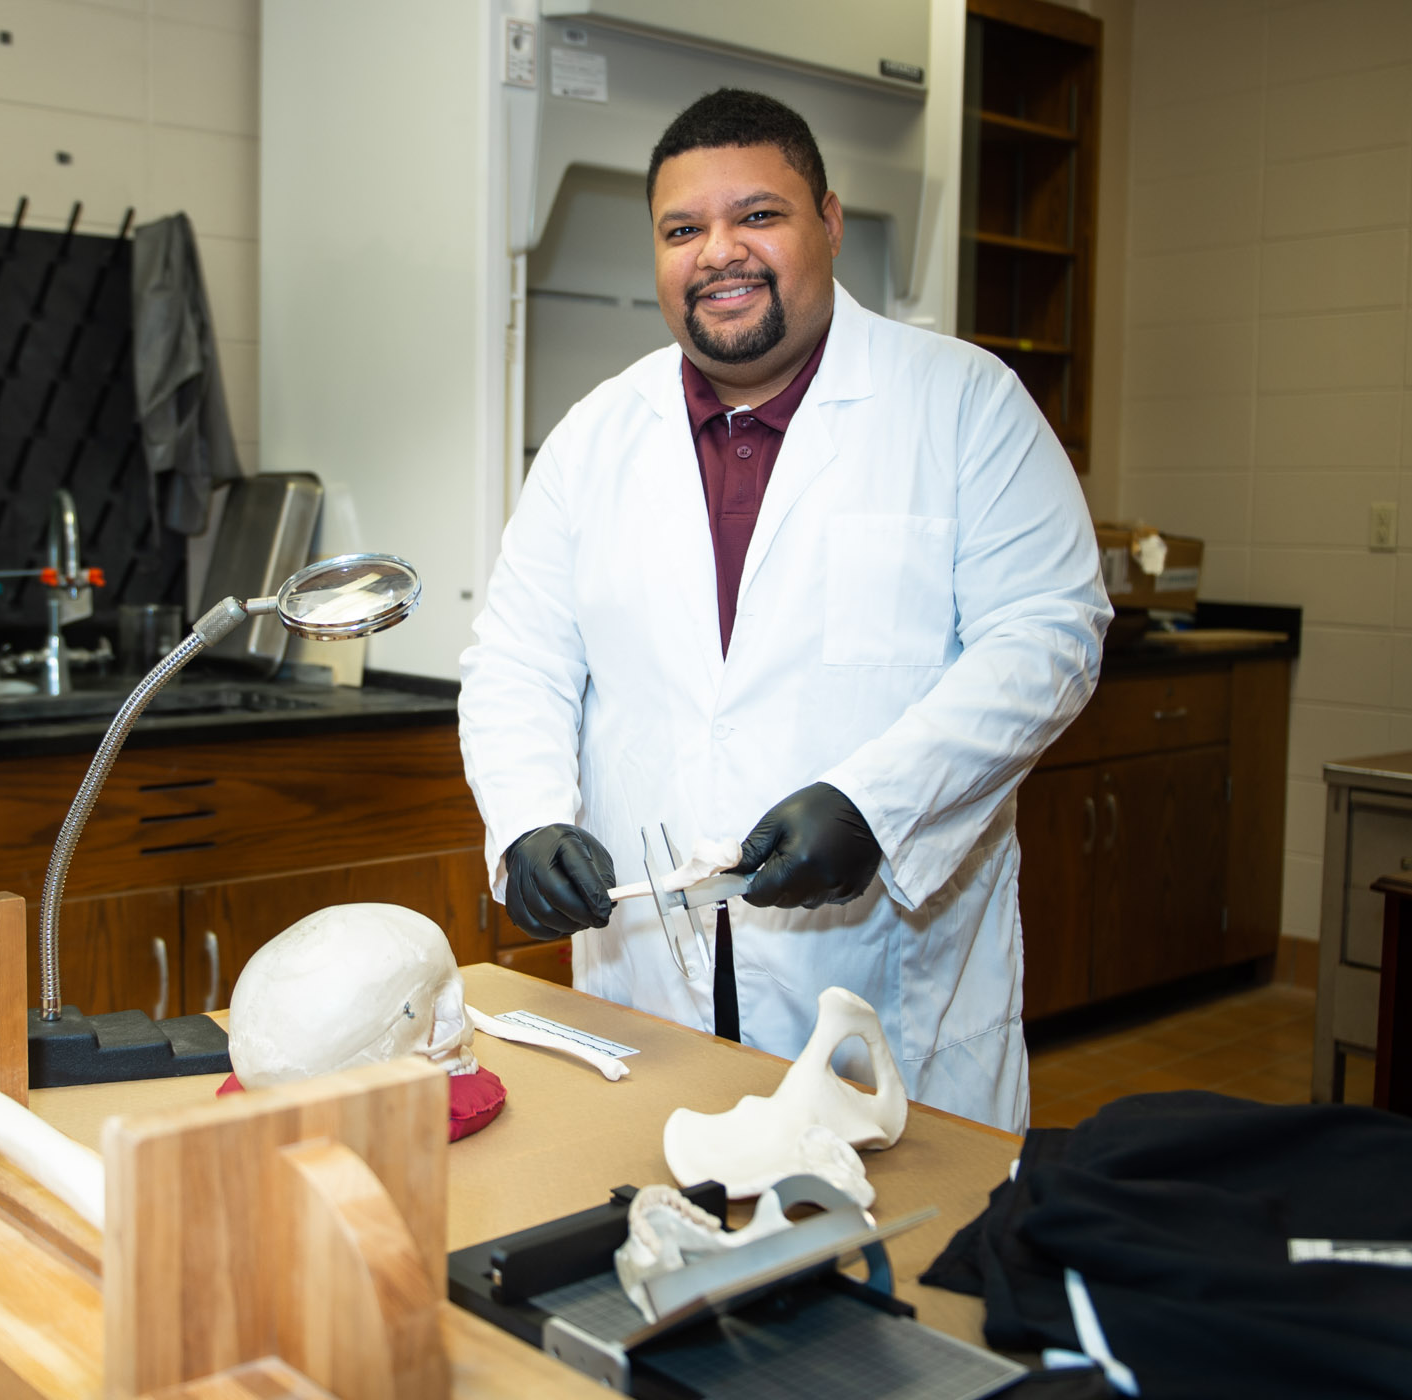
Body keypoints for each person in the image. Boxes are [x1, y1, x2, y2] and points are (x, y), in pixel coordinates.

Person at [457, 89, 1110, 1131]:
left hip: (875, 973)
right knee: (655, 1243)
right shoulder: (594, 436)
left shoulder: (963, 403)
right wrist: (529, 815)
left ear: (830, 221)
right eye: (683, 229)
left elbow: (1049, 635)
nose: (720, 251)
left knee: (897, 1261)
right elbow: (519, 656)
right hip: (647, 980)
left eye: (757, 215)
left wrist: (875, 802)